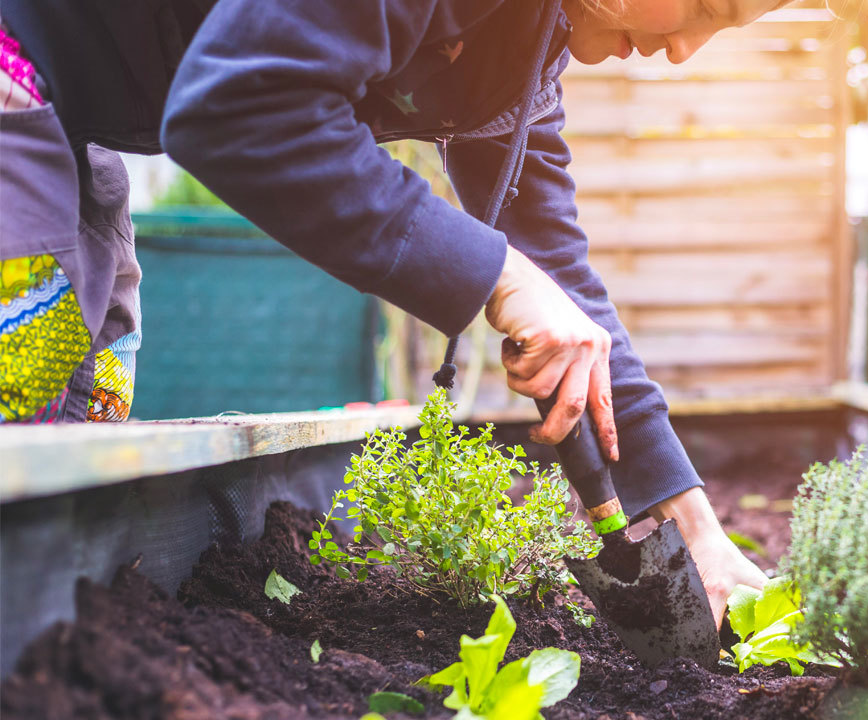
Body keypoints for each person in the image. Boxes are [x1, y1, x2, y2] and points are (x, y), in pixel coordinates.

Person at [0, 0, 781, 624]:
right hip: (20, 55)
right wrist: (498, 276)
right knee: (20, 424)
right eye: (708, 8)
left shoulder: (525, 44)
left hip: (81, 113)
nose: (687, 51)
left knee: (84, 442)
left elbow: (562, 279)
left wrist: (690, 521)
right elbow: (238, 107)